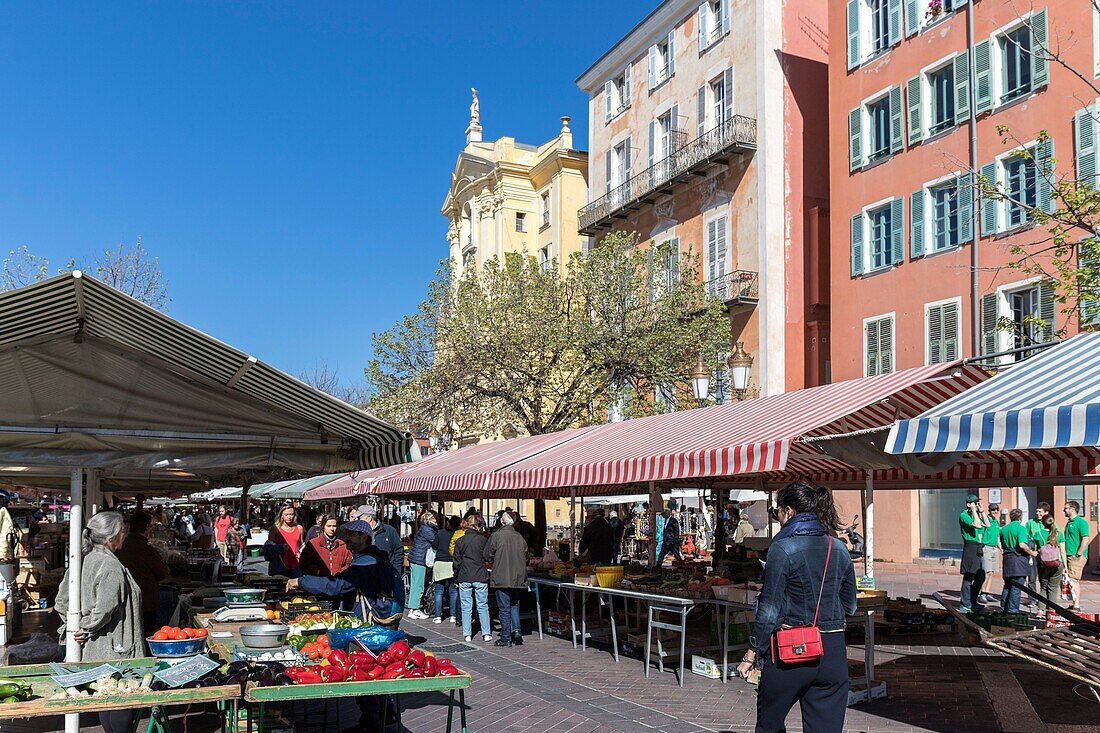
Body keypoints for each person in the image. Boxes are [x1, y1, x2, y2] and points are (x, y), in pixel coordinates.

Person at [736, 482, 855, 733]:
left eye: (777, 511)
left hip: (791, 647)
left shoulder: (782, 548)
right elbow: (850, 605)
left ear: (788, 512)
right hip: (833, 651)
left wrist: (751, 655)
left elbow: (769, 612)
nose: (777, 517)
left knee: (770, 725)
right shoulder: (839, 548)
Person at [287, 520, 403, 730]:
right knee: (374, 668)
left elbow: (339, 585)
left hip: (369, 623)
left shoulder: (367, 561)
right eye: (346, 533)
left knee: (361, 670)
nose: (346, 538)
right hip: (376, 620)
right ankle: (383, 715)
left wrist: (303, 582)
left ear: (364, 538)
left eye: (352, 534)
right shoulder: (369, 558)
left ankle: (373, 722)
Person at [56, 511, 144, 733]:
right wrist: (84, 627)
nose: (125, 534)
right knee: (121, 706)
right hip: (115, 650)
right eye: (123, 530)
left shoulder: (83, 560)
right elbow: (105, 608)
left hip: (96, 650)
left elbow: (60, 601)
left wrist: (74, 627)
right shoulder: (109, 565)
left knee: (106, 705)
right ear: (111, 536)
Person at [115, 510, 170, 635]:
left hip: (124, 599)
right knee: (147, 634)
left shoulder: (121, 546)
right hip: (145, 601)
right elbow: (162, 572)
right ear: (146, 527)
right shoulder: (145, 548)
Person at [484, 510, 529, 647]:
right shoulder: (519, 537)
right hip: (518, 577)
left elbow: (487, 554)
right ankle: (516, 631)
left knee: (504, 608)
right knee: (514, 604)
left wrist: (494, 558)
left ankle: (505, 637)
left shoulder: (496, 536)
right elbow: (527, 555)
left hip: (502, 577)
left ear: (502, 521)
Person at [453, 521, 492, 643]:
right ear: (477, 526)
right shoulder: (482, 540)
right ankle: (486, 633)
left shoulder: (460, 541)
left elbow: (456, 562)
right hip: (480, 575)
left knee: (466, 607)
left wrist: (456, 576)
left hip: (464, 576)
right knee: (483, 605)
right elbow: (487, 556)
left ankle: (467, 634)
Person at [999, 508, 1037, 614]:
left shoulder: (1004, 529)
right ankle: (1012, 611)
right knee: (1016, 587)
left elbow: (1002, 544)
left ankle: (1003, 609)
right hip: (1018, 559)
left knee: (1007, 586)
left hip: (1007, 559)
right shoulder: (1021, 528)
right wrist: (1032, 552)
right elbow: (1022, 545)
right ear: (1020, 518)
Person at [958, 494, 990, 613]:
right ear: (968, 504)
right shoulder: (964, 515)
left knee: (980, 575)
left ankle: (972, 600)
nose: (977, 505)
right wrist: (973, 511)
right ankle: (965, 603)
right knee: (969, 575)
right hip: (970, 546)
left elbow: (987, 524)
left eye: (977, 503)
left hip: (978, 547)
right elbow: (976, 525)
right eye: (975, 503)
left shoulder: (975, 514)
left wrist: (982, 511)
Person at [406, 511, 438, 620]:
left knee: (416, 584)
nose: (436, 520)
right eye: (434, 519)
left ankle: (413, 608)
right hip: (419, 559)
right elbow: (435, 541)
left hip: (416, 558)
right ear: (429, 520)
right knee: (418, 585)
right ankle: (415, 609)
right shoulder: (428, 530)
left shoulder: (424, 528)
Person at [431, 516, 460, 624]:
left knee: (439, 591)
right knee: (453, 591)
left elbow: (434, 546)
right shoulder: (457, 534)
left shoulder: (440, 533)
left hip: (440, 563)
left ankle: (438, 616)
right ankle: (453, 615)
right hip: (452, 563)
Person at [359, 504, 405, 573]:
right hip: (366, 574)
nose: (357, 521)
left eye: (359, 518)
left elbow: (399, 550)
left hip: (386, 574)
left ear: (369, 518)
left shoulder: (389, 530)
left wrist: (396, 570)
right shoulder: (359, 533)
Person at [263, 504, 305, 577]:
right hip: (280, 564)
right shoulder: (275, 529)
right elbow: (269, 546)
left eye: (291, 514)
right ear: (281, 515)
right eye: (286, 514)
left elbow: (301, 544)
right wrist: (281, 547)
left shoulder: (299, 528)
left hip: (296, 565)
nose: (289, 517)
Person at [1064, 501, 1091, 611]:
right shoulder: (1069, 522)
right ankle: (1074, 602)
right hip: (1070, 554)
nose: (1064, 510)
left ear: (1072, 509)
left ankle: (1077, 605)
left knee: (1074, 580)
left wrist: (1079, 553)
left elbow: (1085, 538)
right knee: (1071, 580)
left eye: (1066, 508)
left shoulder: (1080, 522)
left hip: (1076, 556)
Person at [1037, 514, 1067, 607]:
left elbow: (1036, 549)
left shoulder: (1038, 534)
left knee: (1043, 587)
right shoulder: (1059, 534)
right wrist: (1065, 567)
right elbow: (1063, 552)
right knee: (1053, 588)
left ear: (1042, 523)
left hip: (1043, 564)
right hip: (1057, 564)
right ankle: (1051, 610)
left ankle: (1040, 610)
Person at [1024, 502, 1051, 606]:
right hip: (1034, 553)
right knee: (1032, 577)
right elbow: (1027, 537)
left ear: (1046, 512)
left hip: (1047, 555)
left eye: (1040, 511)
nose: (1037, 513)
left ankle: (1046, 600)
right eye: (1037, 511)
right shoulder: (1030, 522)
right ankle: (1032, 599)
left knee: (1045, 578)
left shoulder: (1050, 523)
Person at [979, 504, 1003, 605]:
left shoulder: (996, 522)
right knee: (986, 572)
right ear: (989, 510)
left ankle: (987, 592)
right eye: (993, 509)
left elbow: (997, 537)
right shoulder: (986, 520)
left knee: (992, 572)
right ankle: (982, 593)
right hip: (987, 547)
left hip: (994, 548)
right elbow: (980, 534)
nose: (995, 511)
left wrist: (1000, 548)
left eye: (997, 509)